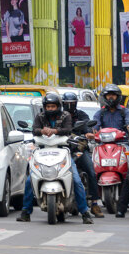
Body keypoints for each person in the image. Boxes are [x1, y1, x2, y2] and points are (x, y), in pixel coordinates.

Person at [17, 93, 93, 225]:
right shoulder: (40, 116)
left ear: (58, 106)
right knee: (30, 180)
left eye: (53, 106)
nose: (50, 109)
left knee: (76, 179)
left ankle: (85, 212)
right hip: (42, 150)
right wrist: (42, 131)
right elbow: (35, 130)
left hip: (63, 150)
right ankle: (26, 211)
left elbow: (68, 129)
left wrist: (54, 131)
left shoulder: (66, 116)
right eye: (48, 106)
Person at [89, 84, 129, 218]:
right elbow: (94, 128)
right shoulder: (100, 113)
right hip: (104, 145)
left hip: (123, 144)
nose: (111, 97)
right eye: (108, 95)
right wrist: (91, 134)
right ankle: (94, 197)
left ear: (118, 97)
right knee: (93, 165)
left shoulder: (126, 112)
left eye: (113, 95)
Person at [63, 91, 102, 217]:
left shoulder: (81, 115)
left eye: (72, 103)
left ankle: (95, 203)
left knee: (91, 169)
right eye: (67, 104)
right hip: (62, 150)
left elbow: (88, 127)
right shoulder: (59, 116)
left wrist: (88, 133)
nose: (69, 106)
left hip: (79, 149)